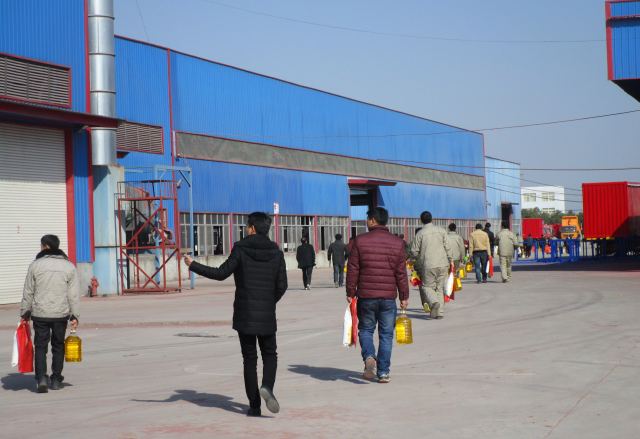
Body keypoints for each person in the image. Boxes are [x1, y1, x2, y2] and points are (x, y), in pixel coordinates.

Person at [184, 212, 287, 417]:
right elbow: (282, 286)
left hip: (245, 313)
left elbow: (221, 273)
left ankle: (255, 406)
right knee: (270, 354)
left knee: (249, 359)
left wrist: (193, 265)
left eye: (247, 226)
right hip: (266, 314)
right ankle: (267, 386)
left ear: (252, 228)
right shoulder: (276, 252)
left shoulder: (240, 248)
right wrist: (268, 302)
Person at [346, 207, 408, 383]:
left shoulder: (360, 241)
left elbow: (353, 269)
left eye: (368, 219)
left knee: (366, 330)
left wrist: (350, 292)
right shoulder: (397, 243)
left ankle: (369, 356)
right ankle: (383, 372)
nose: (367, 222)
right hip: (388, 297)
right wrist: (404, 296)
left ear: (373, 220)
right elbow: (401, 273)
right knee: (386, 335)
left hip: (366, 296)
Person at [20, 234, 80, 393]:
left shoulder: (35, 265)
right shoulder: (69, 266)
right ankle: (56, 380)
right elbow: (73, 294)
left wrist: (25, 312)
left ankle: (41, 378)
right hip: (60, 314)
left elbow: (28, 291)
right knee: (58, 346)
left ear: (45, 246)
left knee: (40, 346)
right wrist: (75, 315)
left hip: (40, 313)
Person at [409, 211, 453, 319]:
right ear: (432, 219)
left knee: (427, 287)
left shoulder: (420, 234)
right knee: (439, 288)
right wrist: (451, 259)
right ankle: (440, 313)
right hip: (443, 264)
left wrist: (417, 258)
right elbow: (448, 246)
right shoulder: (441, 231)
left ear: (421, 220)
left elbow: (414, 251)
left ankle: (433, 302)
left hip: (428, 264)